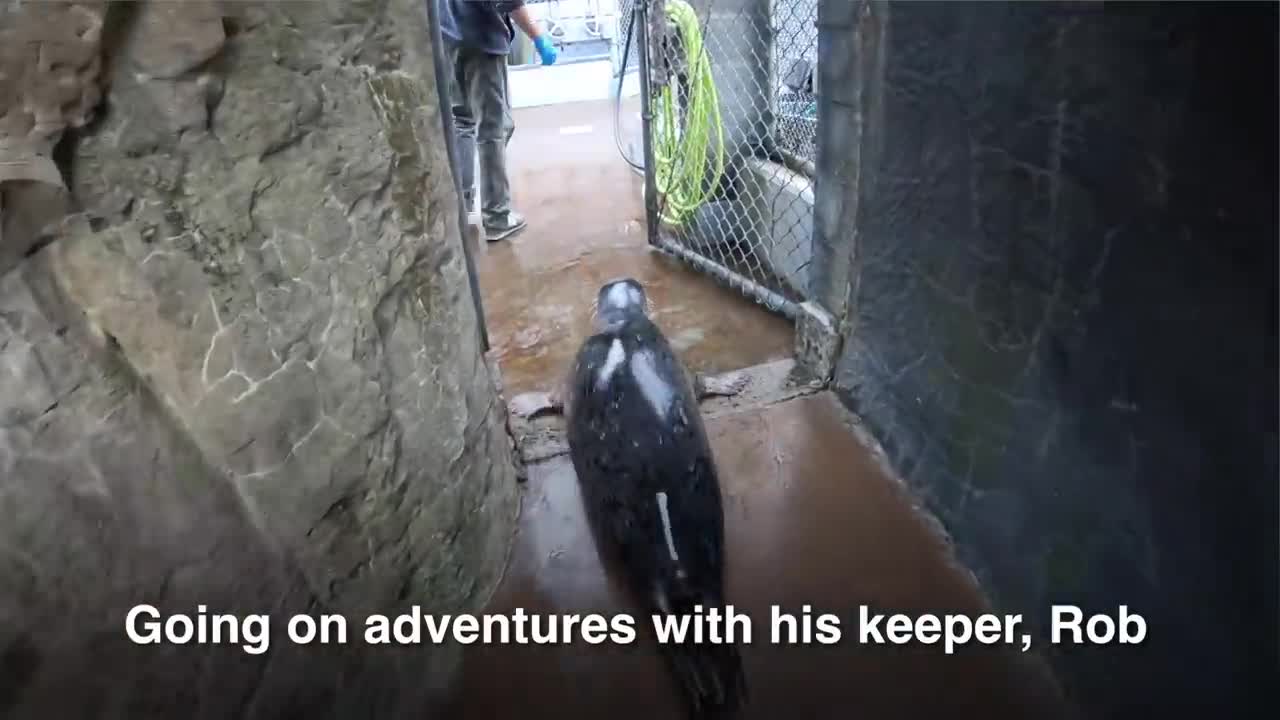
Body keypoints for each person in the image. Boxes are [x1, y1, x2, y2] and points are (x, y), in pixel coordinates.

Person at [439, 0, 558, 242]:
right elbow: (508, 1)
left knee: (462, 121)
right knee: (492, 130)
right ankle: (497, 216)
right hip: (482, 41)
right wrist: (537, 36)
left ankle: (462, 208)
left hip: (450, 37)